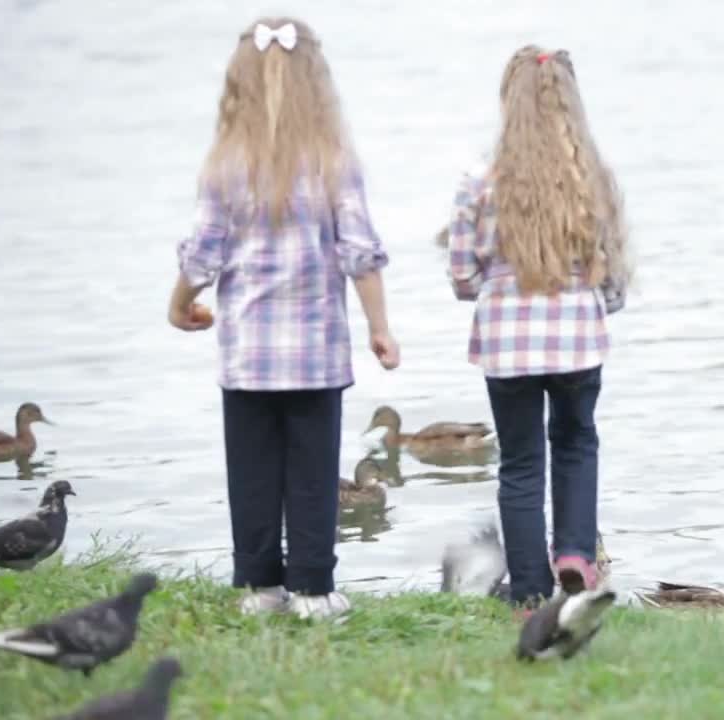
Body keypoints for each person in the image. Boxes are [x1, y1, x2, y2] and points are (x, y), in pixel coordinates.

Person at [168, 17, 399, 620]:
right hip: (317, 354)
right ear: (317, 86)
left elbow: (202, 253)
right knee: (314, 473)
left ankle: (260, 587)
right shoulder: (334, 162)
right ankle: (315, 590)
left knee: (252, 471)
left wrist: (177, 302)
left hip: (248, 356)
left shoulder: (224, 165)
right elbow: (361, 253)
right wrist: (380, 326)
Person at [447, 45, 631, 606]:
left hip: (507, 344)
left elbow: (462, 273)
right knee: (576, 444)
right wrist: (604, 300)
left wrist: (487, 288)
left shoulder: (480, 179)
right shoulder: (590, 177)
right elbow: (612, 269)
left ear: (510, 102)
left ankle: (528, 585)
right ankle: (575, 554)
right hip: (577, 341)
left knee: (520, 462)